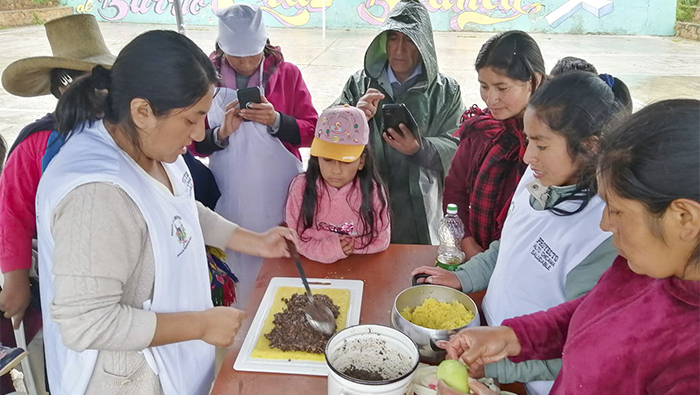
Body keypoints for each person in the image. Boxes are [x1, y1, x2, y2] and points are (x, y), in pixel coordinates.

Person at [35, 30, 297, 395]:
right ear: (142, 111)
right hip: (128, 380)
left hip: (177, 357)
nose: (198, 133)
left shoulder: (152, 146)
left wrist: (257, 241)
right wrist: (202, 325)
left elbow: (181, 211)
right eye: (191, 119)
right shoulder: (97, 194)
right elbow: (86, 323)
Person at [438, 99, 700, 395]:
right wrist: (514, 337)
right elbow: (590, 316)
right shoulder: (639, 270)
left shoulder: (689, 364)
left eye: (617, 210)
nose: (604, 223)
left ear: (684, 218)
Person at [414, 71, 631, 394]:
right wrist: (464, 276)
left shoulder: (605, 233)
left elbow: (580, 347)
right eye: (529, 140)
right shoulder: (540, 174)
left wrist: (497, 366)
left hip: (531, 381)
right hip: (490, 342)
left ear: (590, 146)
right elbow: (513, 244)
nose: (528, 156)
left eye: (541, 144)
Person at [190, 4, 318, 307]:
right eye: (237, 56)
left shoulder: (287, 75)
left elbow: (312, 130)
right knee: (236, 256)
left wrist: (277, 121)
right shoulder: (205, 80)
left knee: (280, 259)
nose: (246, 63)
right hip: (230, 192)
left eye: (253, 54)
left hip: (279, 191)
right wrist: (222, 133)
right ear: (222, 49)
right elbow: (194, 143)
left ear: (265, 46)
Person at [0, 14, 115, 332]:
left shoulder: (125, 129)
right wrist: (16, 280)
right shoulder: (37, 142)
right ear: (61, 86)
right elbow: (13, 213)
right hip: (66, 272)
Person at [333, 0, 464, 245]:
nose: (399, 50)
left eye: (410, 41)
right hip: (365, 200)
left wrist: (420, 149)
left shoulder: (445, 92)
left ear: (424, 45)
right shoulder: (358, 84)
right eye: (393, 38)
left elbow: (457, 145)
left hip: (420, 209)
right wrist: (356, 116)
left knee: (413, 269)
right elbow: (328, 134)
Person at [442, 31, 545, 260]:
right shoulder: (480, 132)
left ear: (534, 81)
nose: (490, 99)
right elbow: (454, 192)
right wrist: (468, 244)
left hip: (525, 262)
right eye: (484, 86)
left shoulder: (552, 142)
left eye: (502, 87)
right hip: (475, 257)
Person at [285, 106, 390, 263]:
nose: (336, 170)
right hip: (310, 267)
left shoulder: (373, 191)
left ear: (361, 161)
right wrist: (330, 248)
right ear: (316, 157)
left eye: (346, 160)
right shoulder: (301, 187)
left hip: (361, 266)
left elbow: (381, 240)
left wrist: (349, 247)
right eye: (327, 159)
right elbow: (293, 237)